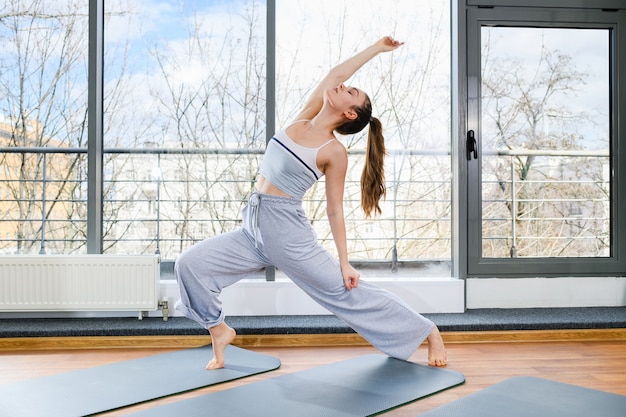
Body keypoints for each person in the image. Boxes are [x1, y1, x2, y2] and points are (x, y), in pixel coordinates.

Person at [174, 36, 447, 370]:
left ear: (349, 112)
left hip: (287, 234)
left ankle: (426, 330)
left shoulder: (333, 152)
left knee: (345, 294)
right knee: (189, 265)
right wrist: (376, 48)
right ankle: (219, 330)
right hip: (252, 228)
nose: (343, 86)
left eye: (351, 92)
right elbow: (335, 73)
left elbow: (334, 209)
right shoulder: (301, 119)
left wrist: (345, 262)